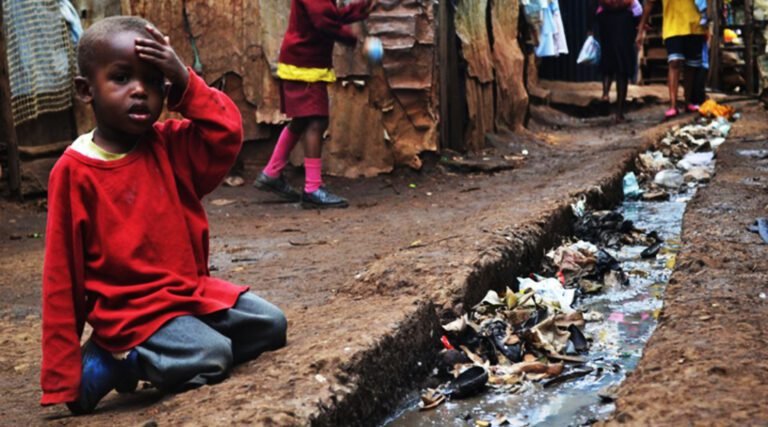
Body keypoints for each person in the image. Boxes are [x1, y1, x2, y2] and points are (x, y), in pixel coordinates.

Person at [41, 16, 287, 415]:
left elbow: (226, 133)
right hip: (132, 312)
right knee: (213, 356)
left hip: (189, 294)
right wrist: (61, 374)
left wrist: (186, 80)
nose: (140, 91)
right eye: (121, 78)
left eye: (154, 81)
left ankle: (165, 351)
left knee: (271, 326)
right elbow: (60, 276)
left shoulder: (170, 146)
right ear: (87, 91)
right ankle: (114, 360)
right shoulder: (74, 172)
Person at [254, 0, 376, 209]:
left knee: (302, 120)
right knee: (317, 121)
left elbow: (327, 15)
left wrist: (356, 11)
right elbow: (323, 22)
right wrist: (352, 37)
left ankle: (272, 173)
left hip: (304, 61)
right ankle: (312, 189)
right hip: (304, 64)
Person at [637, 0, 707, 119]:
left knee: (690, 65)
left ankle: (687, 101)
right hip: (673, 26)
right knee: (674, 62)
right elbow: (650, 3)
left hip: (694, 25)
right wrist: (641, 28)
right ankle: (673, 105)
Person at [589, 0, 640, 122]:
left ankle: (605, 94)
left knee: (608, 57)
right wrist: (641, 24)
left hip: (605, 20)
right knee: (623, 66)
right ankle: (619, 114)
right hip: (625, 20)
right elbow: (636, 7)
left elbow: (593, 5)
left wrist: (589, 28)